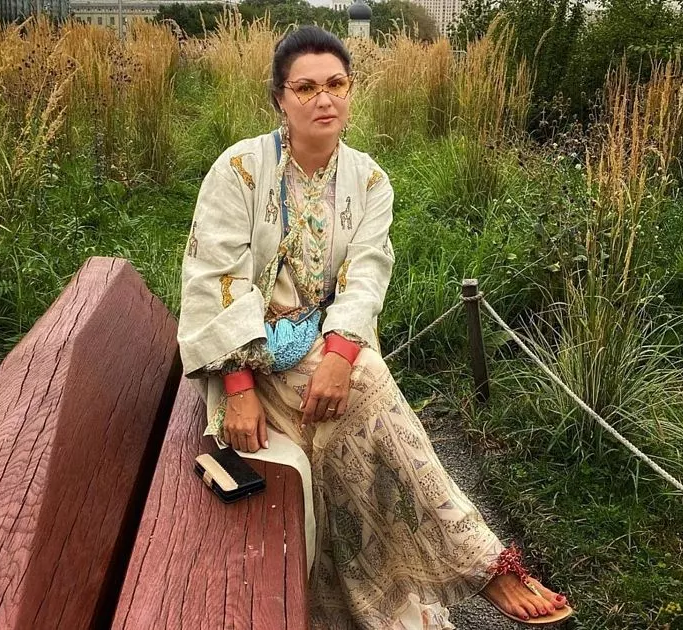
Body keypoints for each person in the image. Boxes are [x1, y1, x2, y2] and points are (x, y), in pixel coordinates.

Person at [177, 25, 574, 629]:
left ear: (350, 90)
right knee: (367, 390)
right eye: (305, 88)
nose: (324, 99)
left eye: (336, 84)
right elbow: (214, 277)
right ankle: (483, 565)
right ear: (279, 98)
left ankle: (363, 606)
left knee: (356, 395)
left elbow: (366, 274)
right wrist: (237, 387)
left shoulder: (368, 181)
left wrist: (338, 354)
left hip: (329, 350)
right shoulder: (240, 170)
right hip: (250, 361)